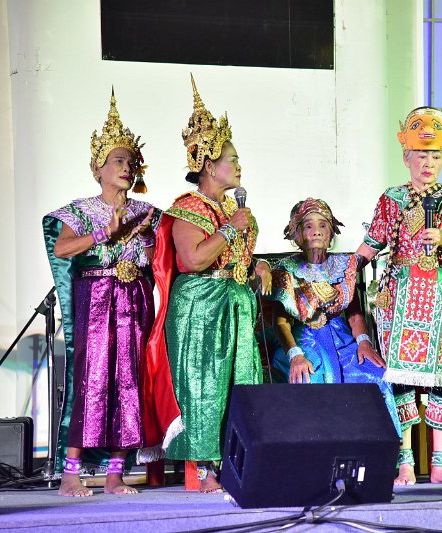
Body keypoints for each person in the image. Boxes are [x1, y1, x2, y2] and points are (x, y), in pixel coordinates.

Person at [143, 76, 270, 493]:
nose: (239, 165)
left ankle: (236, 461)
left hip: (233, 302)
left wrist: (258, 265)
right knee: (203, 384)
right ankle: (201, 470)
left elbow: (237, 258)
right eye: (232, 159)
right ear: (209, 165)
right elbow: (192, 260)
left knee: (240, 382)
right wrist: (231, 229)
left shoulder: (233, 208)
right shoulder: (188, 208)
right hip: (200, 305)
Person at [356, 107, 442, 485]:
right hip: (399, 298)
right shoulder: (391, 199)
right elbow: (369, 247)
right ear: (406, 157)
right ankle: (405, 463)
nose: (428, 163)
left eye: (436, 156)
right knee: (401, 382)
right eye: (421, 155)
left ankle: (441, 464)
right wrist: (344, 272)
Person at [43, 89, 160, 496]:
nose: (126, 167)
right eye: (118, 160)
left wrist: (147, 240)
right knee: (92, 380)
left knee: (128, 383)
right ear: (98, 168)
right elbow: (62, 248)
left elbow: (158, 259)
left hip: (134, 297)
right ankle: (70, 474)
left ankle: (114, 474)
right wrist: (102, 233)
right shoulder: (81, 210)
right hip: (96, 298)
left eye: (131, 161)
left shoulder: (147, 212)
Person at [268, 198, 399, 433]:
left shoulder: (344, 265)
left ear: (331, 234)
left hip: (343, 341)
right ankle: (317, 447)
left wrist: (364, 342)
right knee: (309, 379)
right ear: (297, 235)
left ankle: (373, 448)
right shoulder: (285, 269)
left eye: (323, 225)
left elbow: (354, 314)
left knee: (376, 375)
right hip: (300, 341)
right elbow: (280, 322)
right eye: (308, 226)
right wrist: (295, 355)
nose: (316, 231)